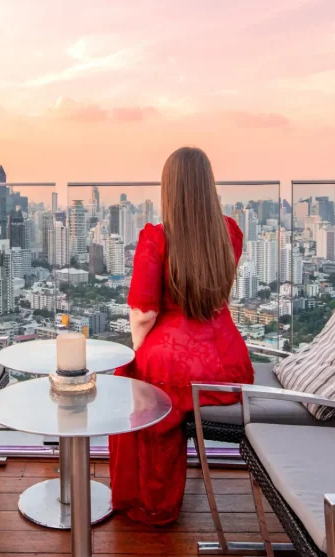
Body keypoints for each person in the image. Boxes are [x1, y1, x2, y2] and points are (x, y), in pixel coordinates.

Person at [109, 147, 254, 525]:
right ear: (208, 186)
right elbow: (217, 293)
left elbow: (144, 314)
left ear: (168, 188)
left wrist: (141, 354)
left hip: (173, 361)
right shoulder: (230, 233)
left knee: (131, 386)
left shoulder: (157, 239)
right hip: (230, 363)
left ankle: (151, 503)